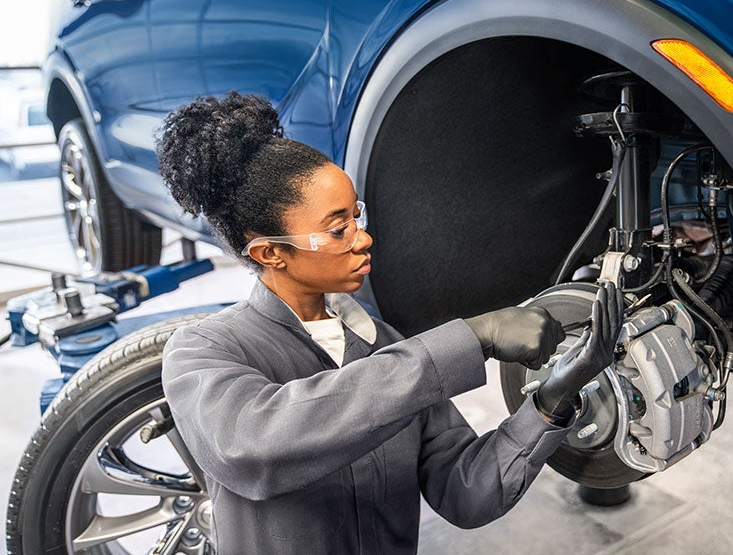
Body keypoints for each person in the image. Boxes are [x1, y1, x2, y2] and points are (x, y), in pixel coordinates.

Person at [157, 92, 624, 554]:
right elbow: (253, 447)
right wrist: (472, 337)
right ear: (271, 253)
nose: (364, 238)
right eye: (338, 228)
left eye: (355, 214)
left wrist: (550, 401)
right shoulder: (201, 352)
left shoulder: (388, 348)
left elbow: (466, 494)